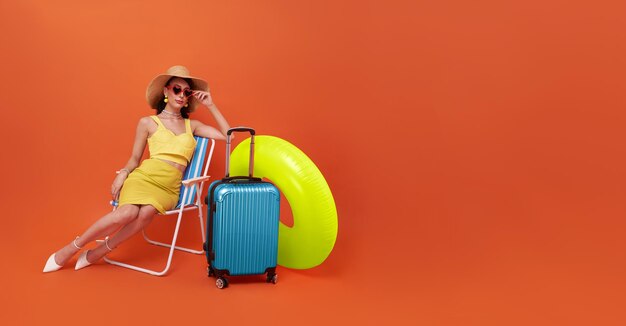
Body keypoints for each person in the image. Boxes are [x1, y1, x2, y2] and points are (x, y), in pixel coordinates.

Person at [43, 65, 231, 272]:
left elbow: (229, 136)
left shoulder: (191, 126)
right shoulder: (148, 123)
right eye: (176, 89)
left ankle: (101, 251)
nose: (181, 95)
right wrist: (122, 174)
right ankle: (71, 248)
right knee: (126, 214)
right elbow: (134, 159)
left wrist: (211, 105)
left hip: (169, 188)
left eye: (186, 92)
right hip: (144, 178)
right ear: (166, 91)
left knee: (147, 212)